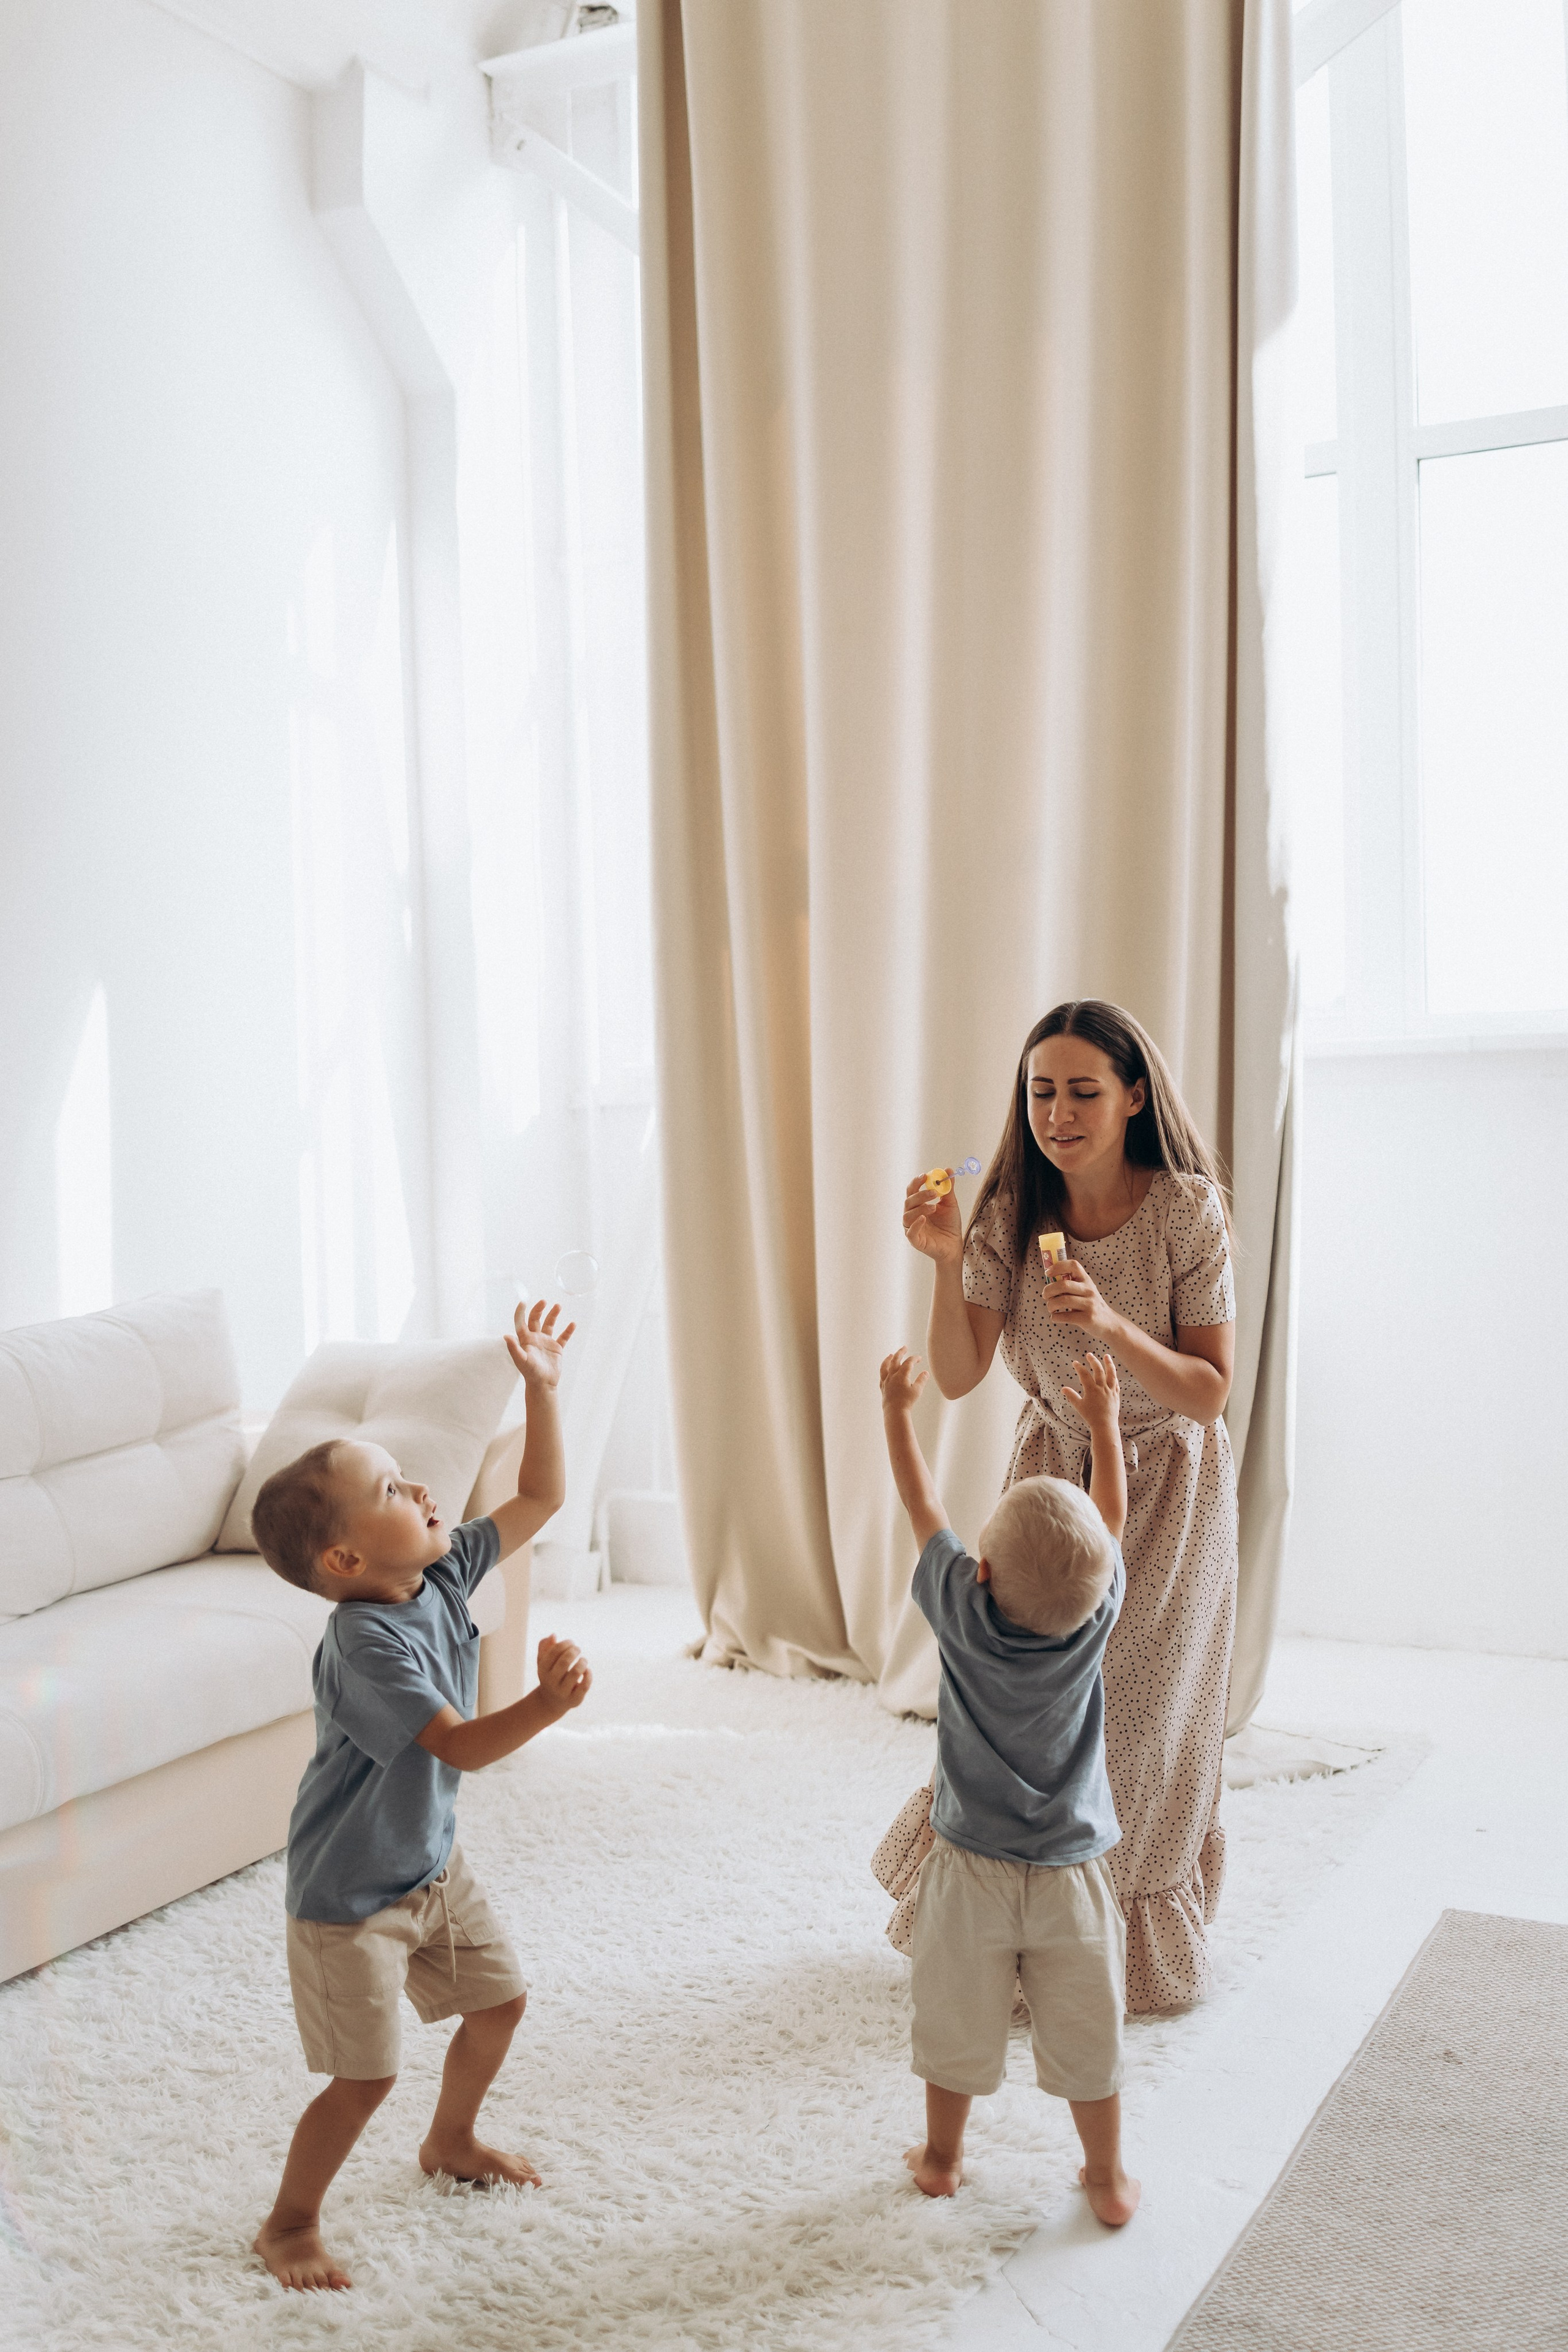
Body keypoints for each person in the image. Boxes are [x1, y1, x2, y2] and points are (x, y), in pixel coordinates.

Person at [889, 998, 1238, 2013]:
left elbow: (1209, 1393)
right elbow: (960, 1374)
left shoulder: (1185, 1211)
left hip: (1167, 1483)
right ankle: (1011, 1925)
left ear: (1134, 1097)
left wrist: (1113, 1327)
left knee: (1140, 1720)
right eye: (1042, 1091)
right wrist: (945, 1261)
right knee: (1029, 1710)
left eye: (1084, 1091)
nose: (1058, 1113)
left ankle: (1114, 1947)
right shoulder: (1010, 1210)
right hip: (1049, 1482)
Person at [248, 1300, 592, 2293]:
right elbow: (460, 1745)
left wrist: (540, 1389)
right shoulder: (365, 1644)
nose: (421, 1486)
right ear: (346, 1562)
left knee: (501, 2004)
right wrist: (546, 1704)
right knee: (364, 2077)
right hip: (350, 1899)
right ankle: (289, 2223)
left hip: (429, 1863)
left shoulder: (439, 1574)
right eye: (393, 1489)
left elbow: (541, 1497)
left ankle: (451, 2142)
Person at [878, 1340, 1138, 2223]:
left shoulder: (963, 1613)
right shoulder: (1093, 1619)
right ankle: (1105, 2175)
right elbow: (1111, 1519)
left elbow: (921, 1504)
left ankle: (943, 2158)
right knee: (1090, 2028)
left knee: (954, 2020)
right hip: (1072, 1869)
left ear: (981, 1573)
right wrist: (1104, 1423)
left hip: (971, 1867)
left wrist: (896, 1414)